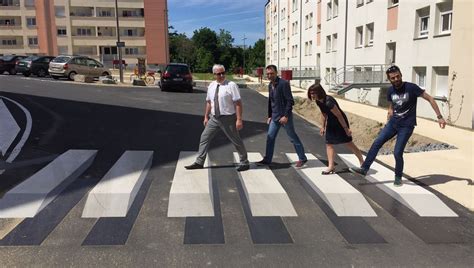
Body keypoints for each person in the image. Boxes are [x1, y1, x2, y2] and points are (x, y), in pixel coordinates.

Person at [350, 65, 446, 186]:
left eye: (397, 76)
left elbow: (430, 99)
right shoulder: (390, 90)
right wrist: (389, 112)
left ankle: (398, 176)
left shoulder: (411, 87)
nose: (396, 79)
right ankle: (364, 169)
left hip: (406, 126)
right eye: (393, 78)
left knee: (397, 152)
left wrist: (439, 117)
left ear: (401, 75)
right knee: (377, 143)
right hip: (393, 123)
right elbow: (391, 105)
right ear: (389, 79)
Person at [185, 64, 250, 172]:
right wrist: (206, 116)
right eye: (219, 73)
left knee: (236, 140)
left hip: (228, 118)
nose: (221, 75)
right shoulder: (211, 86)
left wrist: (239, 119)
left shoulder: (231, 85)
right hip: (214, 118)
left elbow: (238, 103)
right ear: (214, 74)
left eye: (223, 73)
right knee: (204, 138)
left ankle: (244, 162)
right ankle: (199, 162)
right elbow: (209, 102)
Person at [257, 65, 307, 167]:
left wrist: (286, 116)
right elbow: (271, 102)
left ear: (276, 73)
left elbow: (290, 101)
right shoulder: (270, 85)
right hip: (274, 117)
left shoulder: (283, 84)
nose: (269, 75)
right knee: (270, 137)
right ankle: (267, 159)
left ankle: (302, 158)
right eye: (268, 74)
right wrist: (269, 116)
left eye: (271, 73)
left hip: (284, 117)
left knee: (292, 137)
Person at [307, 83, 364, 174]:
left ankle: (362, 162)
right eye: (311, 93)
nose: (312, 95)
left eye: (313, 93)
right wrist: (323, 126)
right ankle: (331, 166)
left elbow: (339, 115)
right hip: (331, 122)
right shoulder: (318, 101)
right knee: (329, 144)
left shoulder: (329, 102)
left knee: (349, 143)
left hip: (340, 123)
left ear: (319, 92)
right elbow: (324, 114)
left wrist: (346, 129)